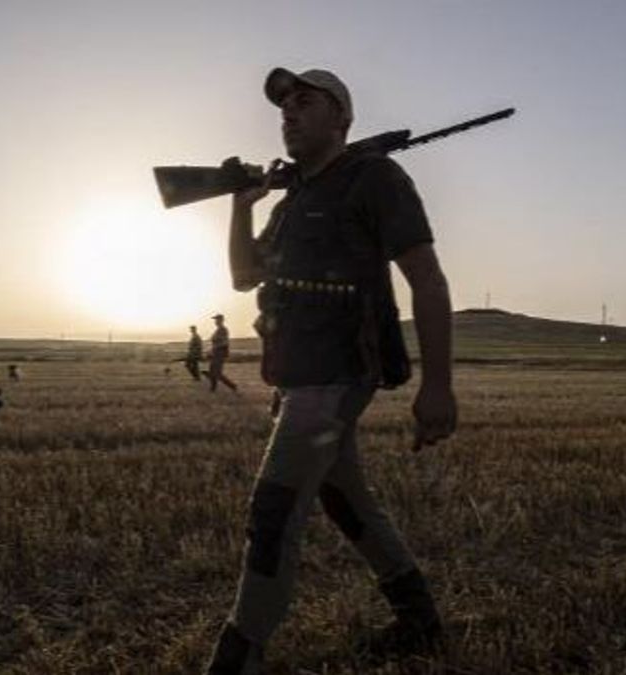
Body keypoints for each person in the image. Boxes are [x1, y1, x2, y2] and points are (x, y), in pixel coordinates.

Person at [205, 68, 459, 674]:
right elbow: (245, 275)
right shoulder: (293, 203)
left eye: (305, 102)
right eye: (284, 106)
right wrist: (242, 208)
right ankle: (420, 623)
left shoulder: (375, 178)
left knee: (274, 511)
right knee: (344, 499)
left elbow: (428, 279)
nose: (289, 113)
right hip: (298, 375)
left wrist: (439, 386)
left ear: (342, 117)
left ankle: (236, 660)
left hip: (342, 373)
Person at [206, 313, 239, 393]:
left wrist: (215, 348)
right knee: (212, 371)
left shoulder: (223, 330)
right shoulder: (218, 330)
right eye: (215, 320)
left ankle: (233, 386)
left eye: (217, 319)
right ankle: (213, 388)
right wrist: (211, 350)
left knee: (217, 373)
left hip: (219, 353)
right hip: (215, 353)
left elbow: (224, 343)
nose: (215, 321)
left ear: (221, 320)